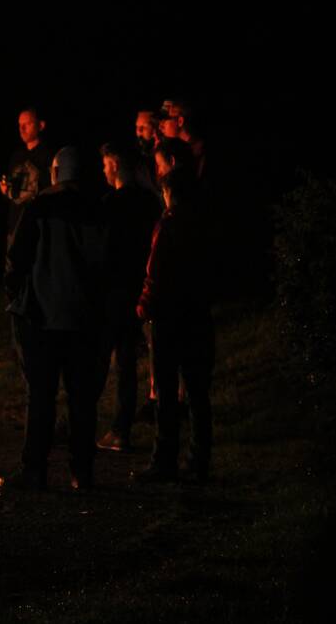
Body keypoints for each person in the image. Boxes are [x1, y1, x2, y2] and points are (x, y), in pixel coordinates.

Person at [4, 147, 109, 491]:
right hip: (85, 320)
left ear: (55, 172)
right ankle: (83, 472)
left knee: (41, 398)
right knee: (82, 401)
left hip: (42, 319)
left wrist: (18, 297)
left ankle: (35, 471)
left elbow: (16, 258)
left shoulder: (39, 207)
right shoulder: (100, 207)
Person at [135, 169, 214, 483]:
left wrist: (144, 304)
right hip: (197, 315)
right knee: (197, 392)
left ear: (170, 194)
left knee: (166, 392)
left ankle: (164, 459)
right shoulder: (204, 226)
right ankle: (199, 459)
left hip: (169, 316)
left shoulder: (167, 225)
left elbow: (155, 271)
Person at [96, 141, 162, 453]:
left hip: (114, 289)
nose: (103, 170)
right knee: (126, 361)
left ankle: (88, 424)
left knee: (102, 358)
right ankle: (121, 428)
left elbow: (103, 250)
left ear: (115, 166)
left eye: (106, 164)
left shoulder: (112, 205)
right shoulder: (150, 203)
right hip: (139, 286)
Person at [0, 107, 53, 240]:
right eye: (19, 125)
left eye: (27, 124)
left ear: (41, 125)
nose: (22, 129)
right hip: (15, 226)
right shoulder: (16, 156)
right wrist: (5, 190)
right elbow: (12, 191)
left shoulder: (48, 155)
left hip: (38, 227)